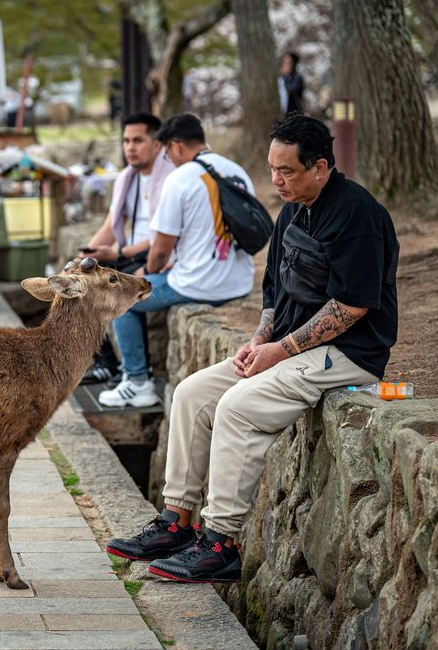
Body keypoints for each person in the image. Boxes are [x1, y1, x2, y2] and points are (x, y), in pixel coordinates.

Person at [106, 114, 398, 584]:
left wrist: (280, 350)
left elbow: (351, 306)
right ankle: (176, 521)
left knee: (237, 407)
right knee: (192, 393)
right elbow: (273, 295)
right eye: (272, 169)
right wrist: (260, 340)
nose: (276, 180)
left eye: (287, 171)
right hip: (286, 347)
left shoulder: (357, 215)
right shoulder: (292, 210)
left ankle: (220, 543)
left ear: (320, 167)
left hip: (348, 354)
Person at [99, 114, 256, 408]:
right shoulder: (236, 171)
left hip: (197, 284)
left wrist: (145, 272)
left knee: (118, 296)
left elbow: (160, 251)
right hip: (240, 282)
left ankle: (137, 382)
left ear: (176, 145)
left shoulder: (179, 179)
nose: (167, 159)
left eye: (167, 152)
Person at [78, 112, 176, 384]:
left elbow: (166, 239)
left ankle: (137, 374)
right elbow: (111, 226)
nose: (130, 147)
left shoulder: (171, 178)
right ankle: (106, 361)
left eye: (138, 140)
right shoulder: (126, 178)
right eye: (126, 141)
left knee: (117, 291)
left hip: (155, 254)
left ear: (157, 144)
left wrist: (120, 254)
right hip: (128, 251)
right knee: (79, 282)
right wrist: (84, 256)